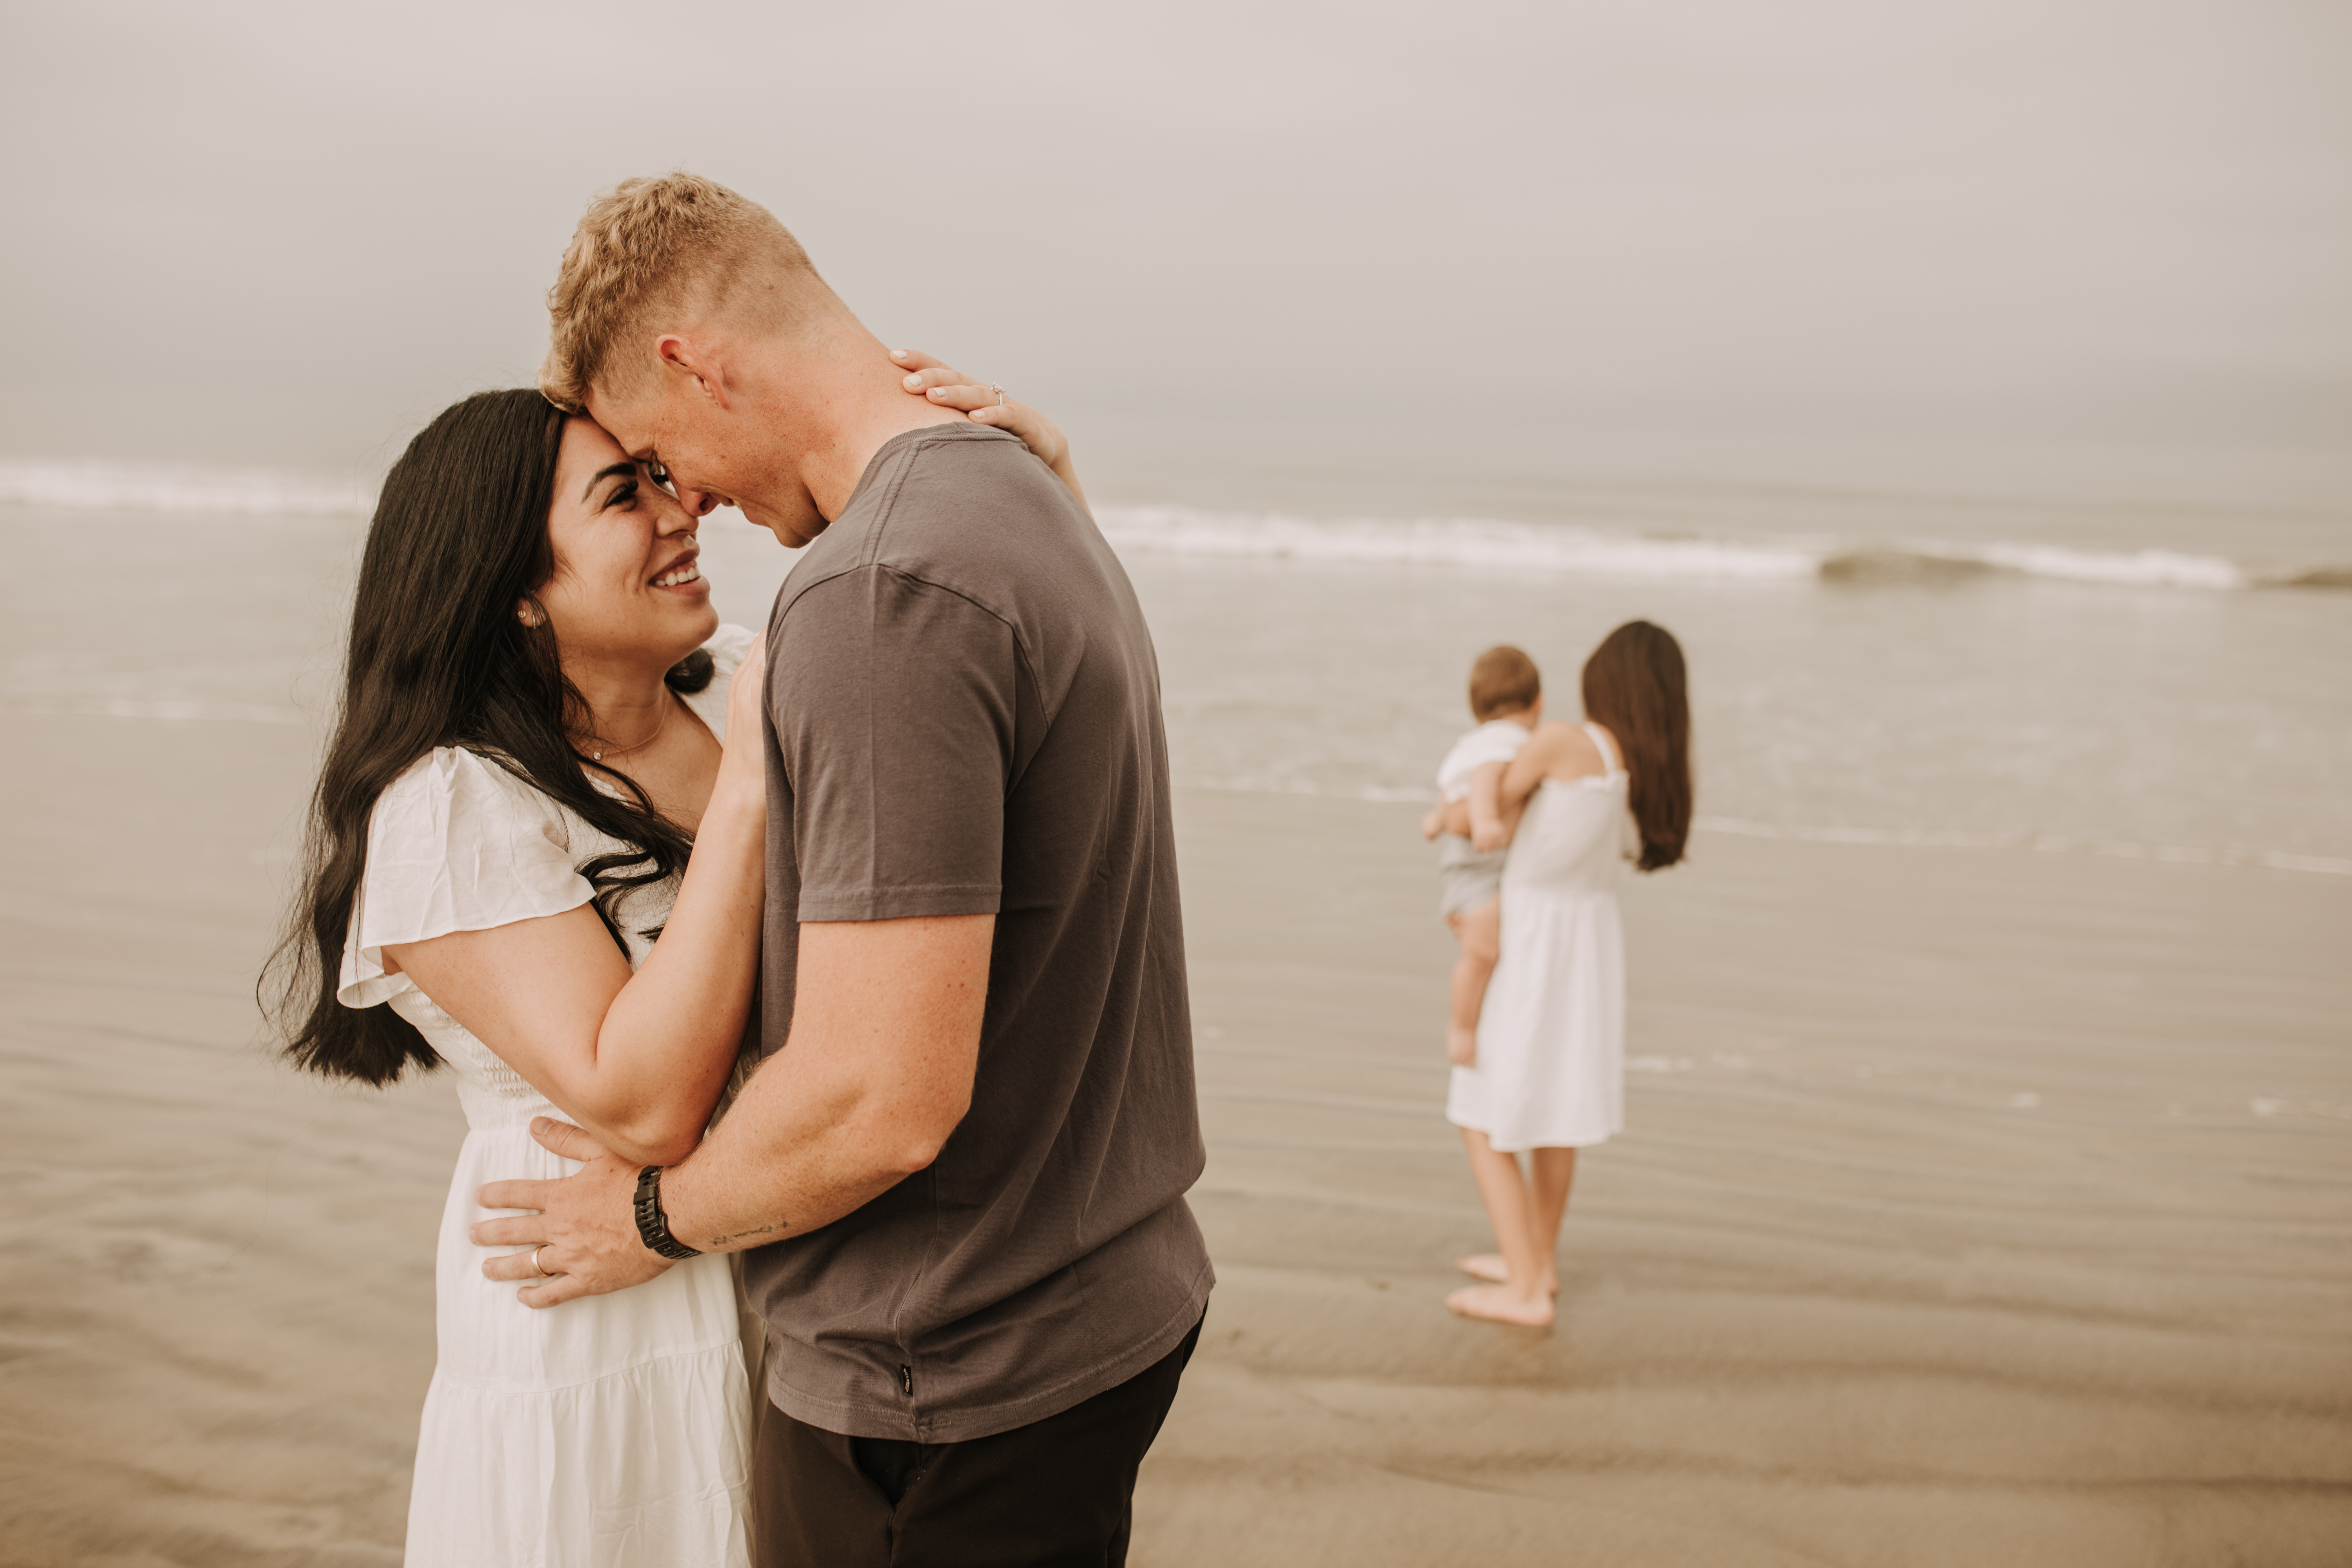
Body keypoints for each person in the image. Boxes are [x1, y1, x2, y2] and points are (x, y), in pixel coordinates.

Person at [469, 173, 1213, 1567]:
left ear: (694, 362)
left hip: (945, 1367)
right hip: (1095, 1297)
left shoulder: (878, 593)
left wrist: (650, 1217)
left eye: (655, 451)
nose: (685, 500)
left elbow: (879, 1099)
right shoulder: (1022, 492)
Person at [265, 356, 1073, 1562]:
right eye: (619, 496)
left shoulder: (744, 673)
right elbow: (641, 1100)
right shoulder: (451, 805)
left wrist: (1033, 486)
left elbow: (997, 679)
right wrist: (749, 785)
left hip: (785, 1245)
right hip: (592, 1299)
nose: (680, 508)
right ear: (518, 590)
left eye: (661, 474)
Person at [1442, 620, 1692, 1328]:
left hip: (1534, 937)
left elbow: (1476, 816)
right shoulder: (1632, 766)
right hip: (1585, 942)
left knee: (1479, 1113)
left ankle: (1523, 1288)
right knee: (1554, 1114)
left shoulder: (1561, 742)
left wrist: (1443, 809)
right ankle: (1537, 1263)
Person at [1420, 645, 1544, 1067]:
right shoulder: (1511, 740)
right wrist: (1487, 819)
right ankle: (1463, 1028)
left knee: (1485, 949)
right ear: (1537, 703)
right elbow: (1484, 777)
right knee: (1482, 953)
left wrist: (1437, 819)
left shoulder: (1474, 740)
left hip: (1467, 861)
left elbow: (1452, 786)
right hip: (1478, 861)